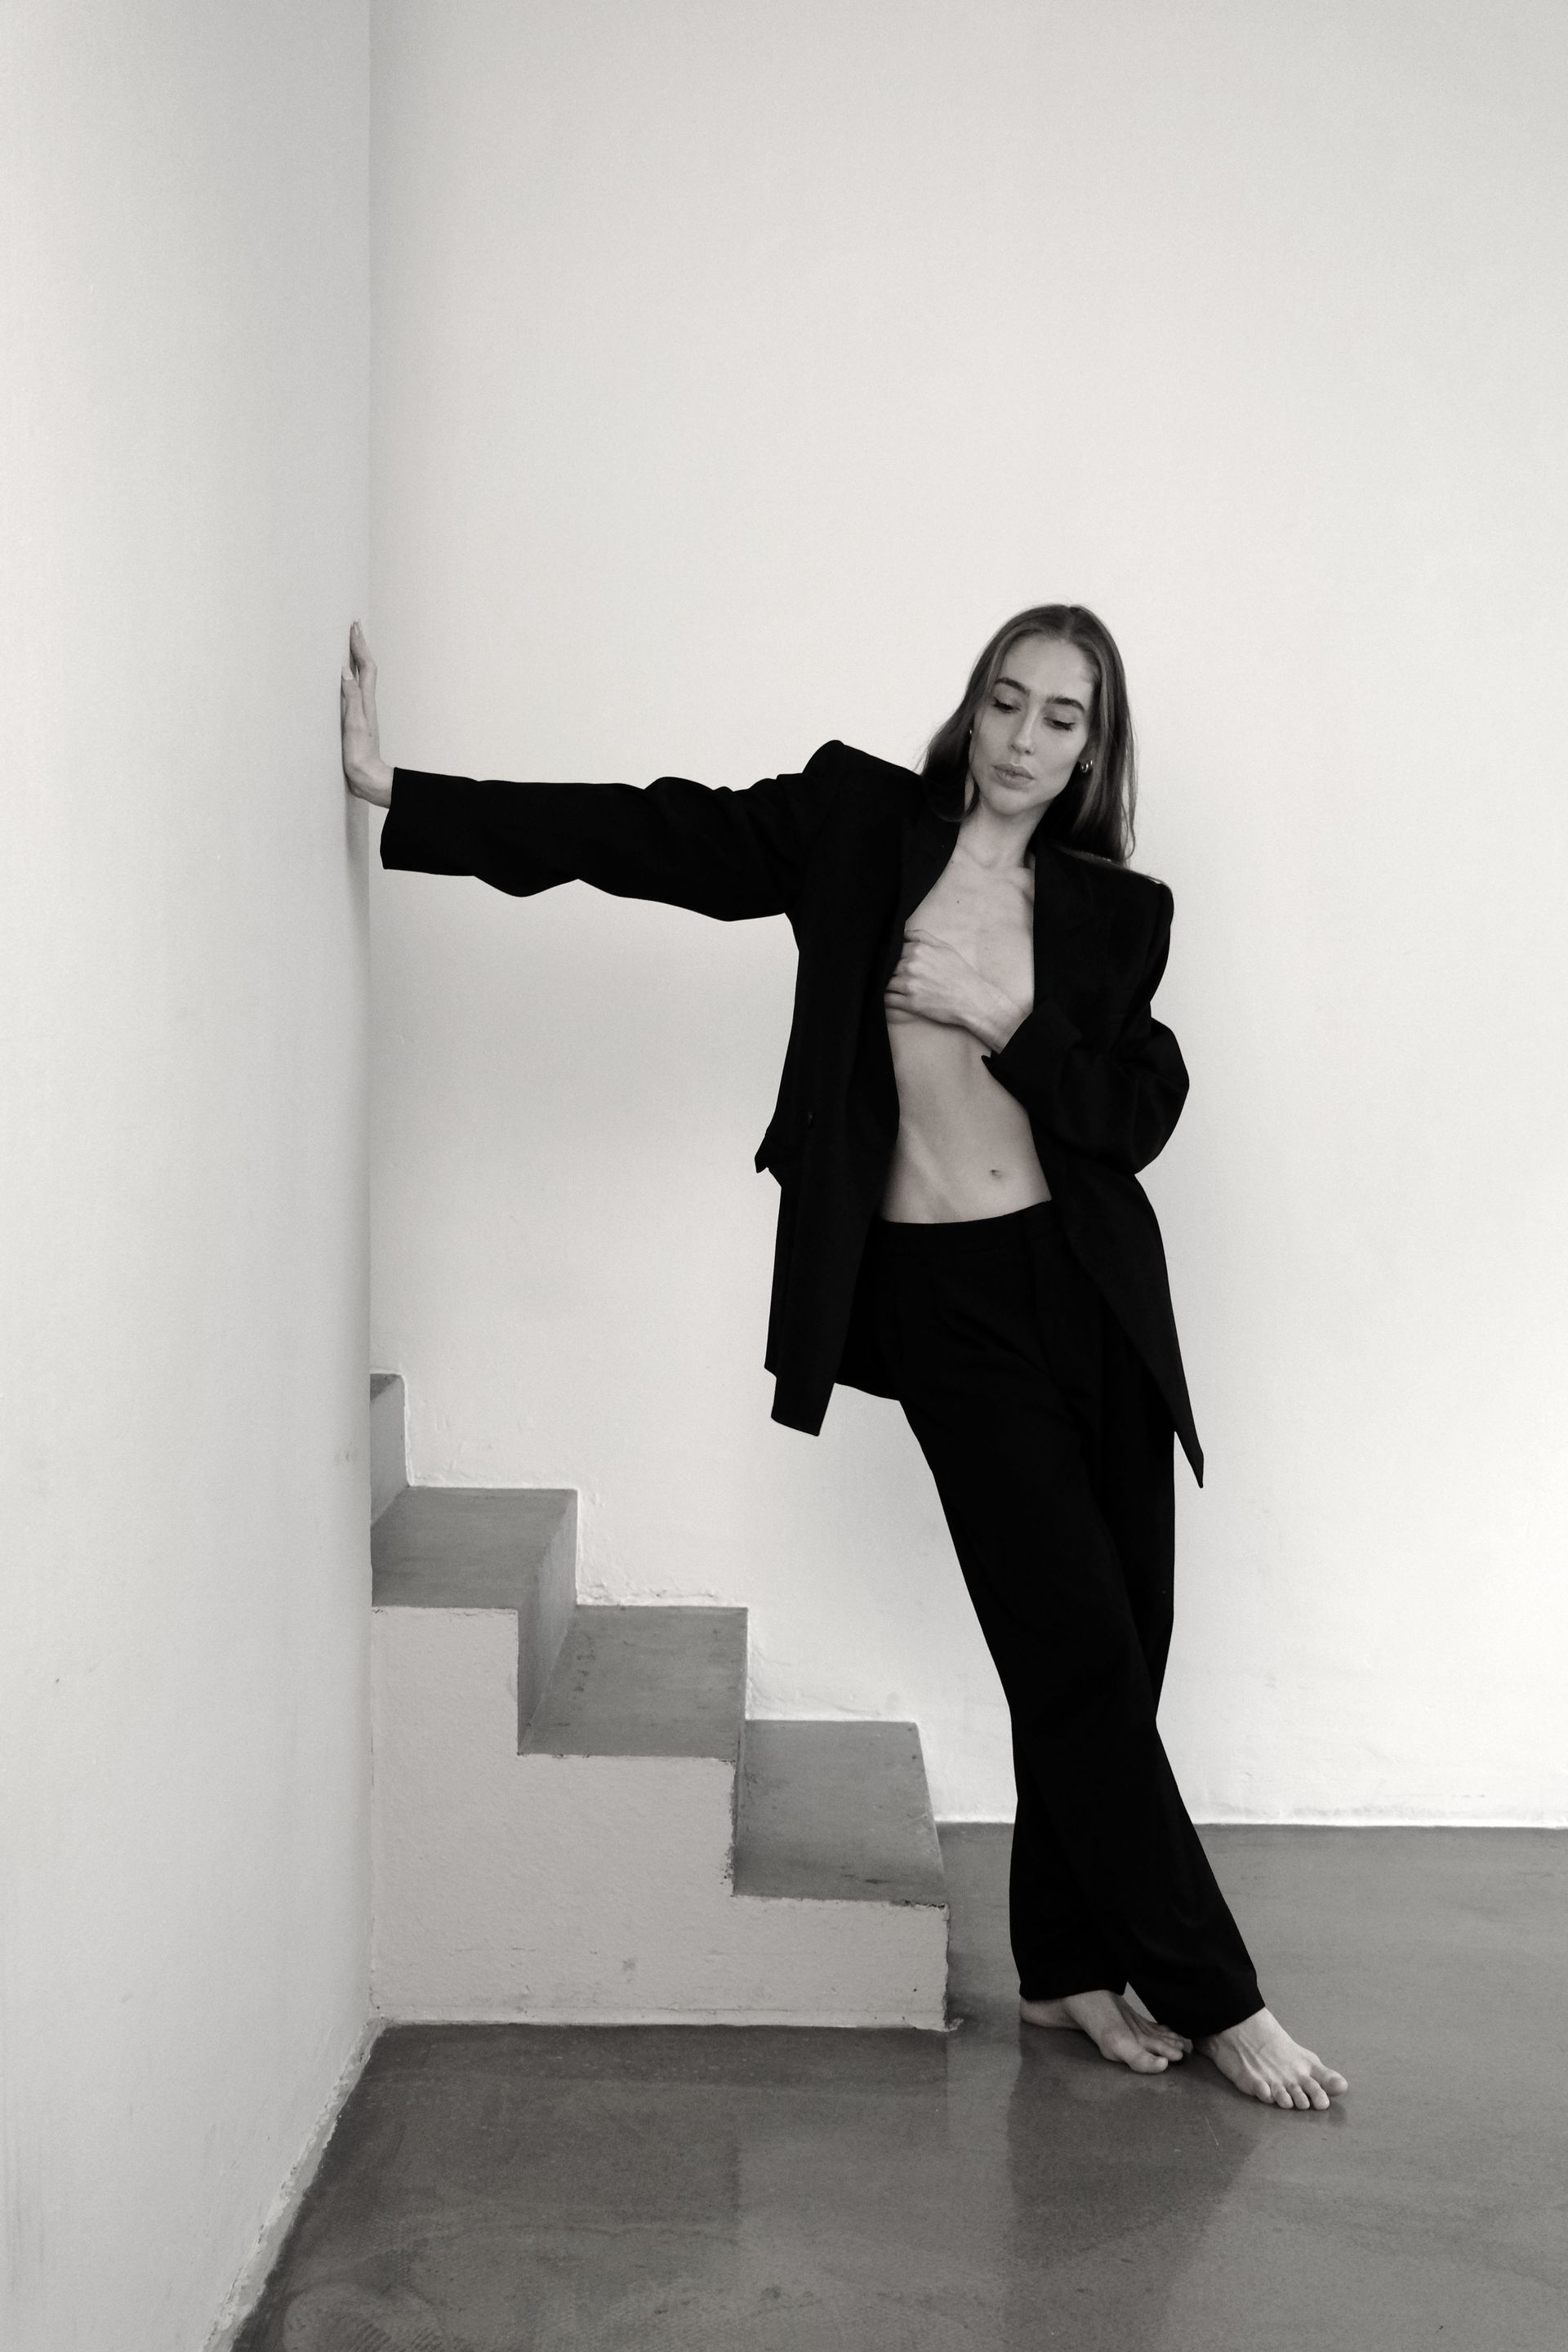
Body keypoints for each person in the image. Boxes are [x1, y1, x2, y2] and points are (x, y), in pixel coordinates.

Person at [341, 605, 1348, 2112]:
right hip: (948, 1305)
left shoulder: (1112, 913)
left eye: (1060, 719)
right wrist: (401, 793)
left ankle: (1068, 1963)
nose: (1022, 740)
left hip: (1094, 1298)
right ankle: (1220, 1995)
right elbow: (654, 837)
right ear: (973, 707)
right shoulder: (860, 824)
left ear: (1094, 747)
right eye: (1006, 703)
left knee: (1114, 1649)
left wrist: (1008, 1022)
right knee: (1072, 1645)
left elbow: (1126, 1120)